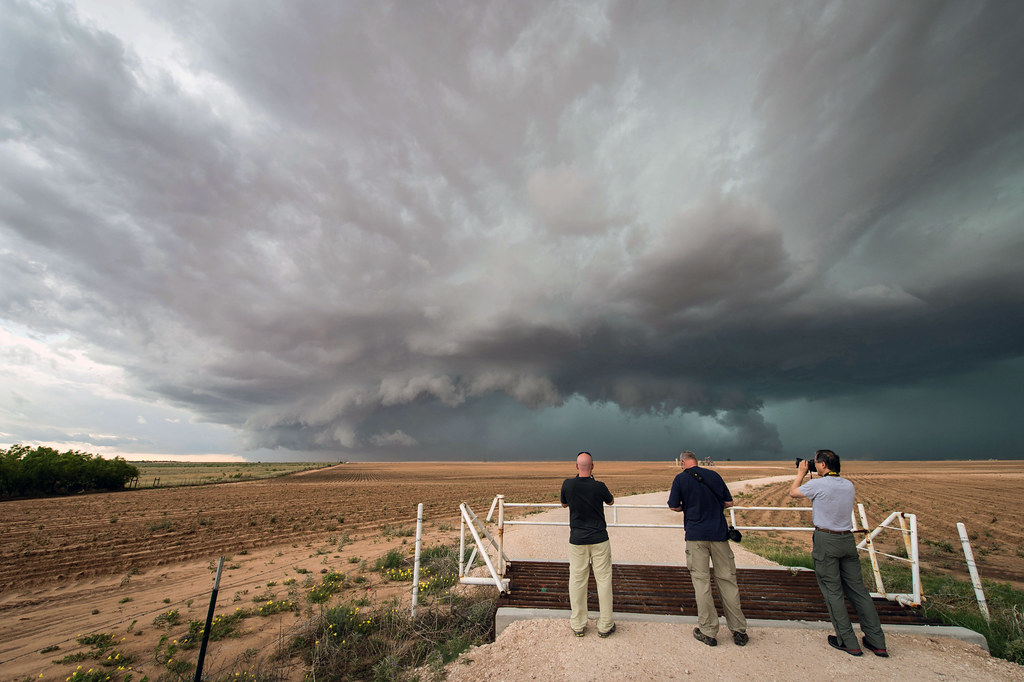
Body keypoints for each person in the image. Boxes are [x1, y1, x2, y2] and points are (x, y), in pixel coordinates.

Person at [790, 449, 889, 658]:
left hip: (827, 540)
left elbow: (793, 492)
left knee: (832, 591)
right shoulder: (848, 485)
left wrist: (800, 473)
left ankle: (848, 641)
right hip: (847, 539)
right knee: (858, 591)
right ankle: (877, 641)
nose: (814, 466)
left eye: (816, 463)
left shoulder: (818, 484)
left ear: (824, 465)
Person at [668, 451, 748, 647]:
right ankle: (738, 630)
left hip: (696, 536)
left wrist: (688, 506)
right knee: (728, 580)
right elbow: (729, 502)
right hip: (719, 535)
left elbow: (673, 506)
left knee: (701, 583)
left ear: (683, 462)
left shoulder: (680, 479)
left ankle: (708, 631)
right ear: (697, 461)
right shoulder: (714, 476)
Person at [560, 451, 616, 638]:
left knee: (577, 581)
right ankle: (605, 625)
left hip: (577, 541)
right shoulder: (599, 486)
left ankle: (578, 625)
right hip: (599, 539)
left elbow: (564, 504)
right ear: (593, 466)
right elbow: (611, 501)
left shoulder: (568, 484)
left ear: (577, 467)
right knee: (604, 581)